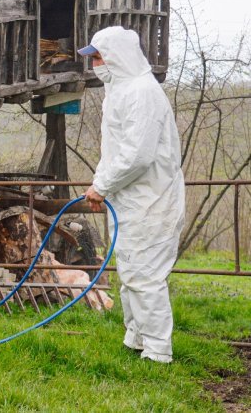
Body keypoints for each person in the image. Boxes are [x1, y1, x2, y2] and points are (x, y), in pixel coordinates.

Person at [79, 26, 185, 363]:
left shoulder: (141, 92)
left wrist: (102, 185)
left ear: (116, 56)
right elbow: (115, 150)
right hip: (131, 199)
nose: (94, 64)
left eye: (97, 57)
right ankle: (136, 338)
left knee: (145, 275)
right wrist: (102, 184)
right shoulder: (121, 90)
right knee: (130, 271)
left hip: (151, 200)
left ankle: (157, 352)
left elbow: (137, 155)